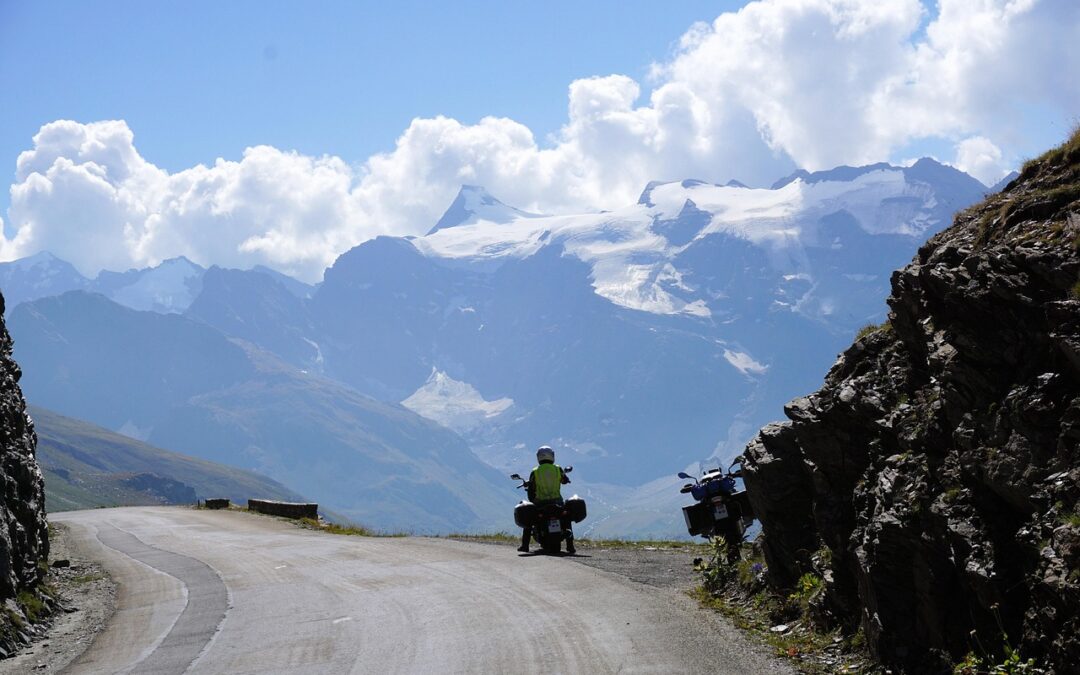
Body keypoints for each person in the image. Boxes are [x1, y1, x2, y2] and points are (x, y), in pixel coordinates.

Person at [518, 445, 574, 554]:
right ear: (552, 456)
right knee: (567, 520)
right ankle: (570, 546)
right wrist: (565, 480)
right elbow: (564, 480)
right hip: (557, 501)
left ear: (539, 457)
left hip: (540, 502)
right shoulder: (558, 469)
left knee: (529, 518)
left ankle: (525, 545)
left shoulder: (535, 471)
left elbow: (532, 485)